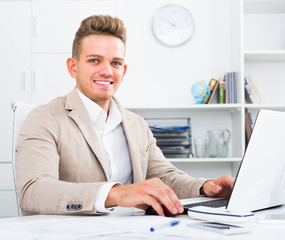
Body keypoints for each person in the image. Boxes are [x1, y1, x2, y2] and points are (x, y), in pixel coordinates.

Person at [16, 15, 234, 216]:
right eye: (94, 60)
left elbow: (165, 177)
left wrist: (206, 188)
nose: (107, 71)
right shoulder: (45, 118)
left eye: (115, 63)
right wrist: (116, 194)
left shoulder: (136, 124)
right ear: (73, 68)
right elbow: (34, 190)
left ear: (123, 71)